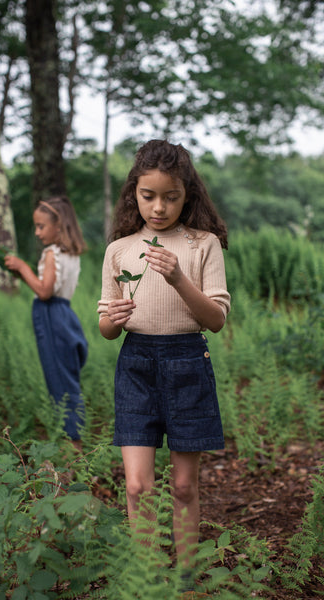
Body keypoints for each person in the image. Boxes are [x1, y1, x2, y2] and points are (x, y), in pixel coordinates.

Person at [97, 140, 230, 592]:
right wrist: (110, 321)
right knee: (137, 486)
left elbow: (215, 319)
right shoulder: (119, 250)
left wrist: (177, 277)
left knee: (184, 486)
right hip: (135, 364)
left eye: (171, 196)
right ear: (134, 193)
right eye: (148, 196)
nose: (159, 207)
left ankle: (187, 575)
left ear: (187, 193)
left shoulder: (202, 244)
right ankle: (146, 574)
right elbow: (106, 327)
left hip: (188, 361)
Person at [5, 196, 88, 449]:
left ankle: (75, 448)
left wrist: (22, 268)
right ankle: (73, 442)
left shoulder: (52, 253)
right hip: (65, 313)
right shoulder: (70, 253)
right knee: (67, 376)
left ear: (59, 226)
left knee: (60, 381)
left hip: (51, 315)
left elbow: (44, 291)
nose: (37, 232)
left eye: (41, 226)